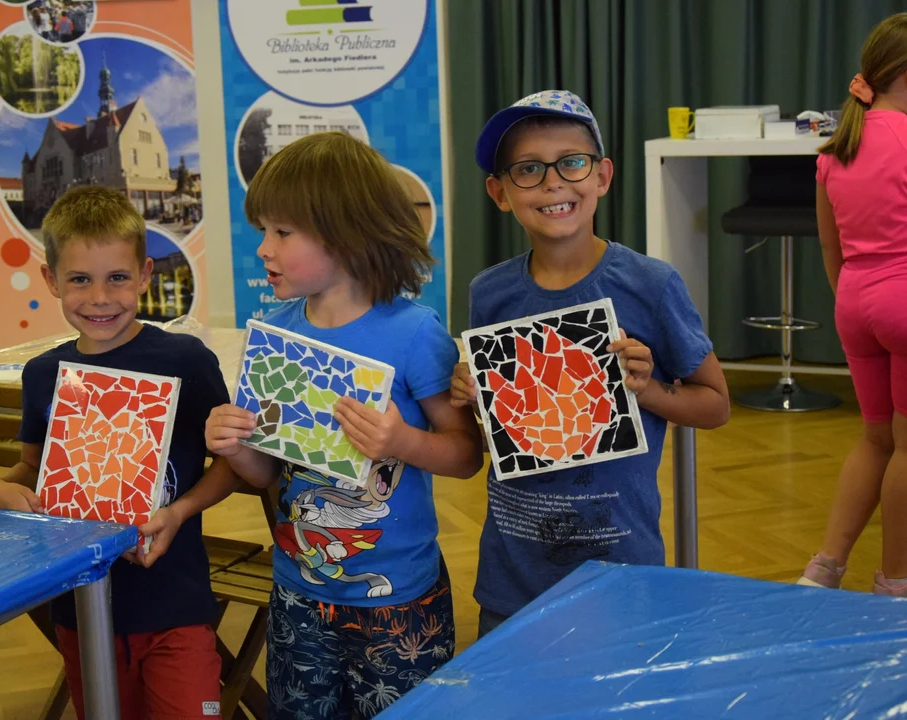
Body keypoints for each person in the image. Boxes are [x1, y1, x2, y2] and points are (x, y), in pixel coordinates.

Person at [204, 132, 484, 719]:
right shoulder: (276, 332)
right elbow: (263, 473)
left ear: (346, 233)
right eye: (265, 231)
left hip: (399, 599)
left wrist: (400, 441)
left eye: (281, 232)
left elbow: (465, 456)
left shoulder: (414, 332)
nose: (263, 249)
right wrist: (233, 443)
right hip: (299, 591)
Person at [450, 90, 731, 637]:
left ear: (601, 176)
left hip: (620, 570)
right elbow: (494, 437)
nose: (553, 182)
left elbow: (716, 404)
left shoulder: (650, 284)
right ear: (499, 192)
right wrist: (473, 395)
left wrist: (648, 391)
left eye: (571, 162)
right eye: (528, 169)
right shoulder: (490, 293)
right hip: (513, 575)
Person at [0, 186, 239, 719]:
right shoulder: (43, 375)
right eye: (80, 279)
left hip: (175, 599)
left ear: (145, 275)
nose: (100, 297)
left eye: (117, 277)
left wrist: (180, 511)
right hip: (81, 603)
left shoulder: (185, 360)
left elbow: (233, 465)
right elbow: (34, 466)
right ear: (52, 280)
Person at [799, 13, 907, 596]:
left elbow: (829, 244)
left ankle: (824, 568)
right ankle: (897, 582)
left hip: (857, 301)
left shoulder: (837, 149)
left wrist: (856, 303)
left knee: (876, 439)